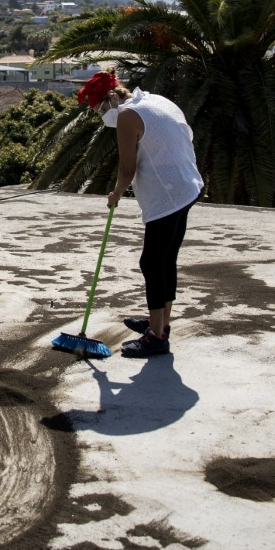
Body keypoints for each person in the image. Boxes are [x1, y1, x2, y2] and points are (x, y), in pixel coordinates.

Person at [76, 71, 204, 358]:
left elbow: (127, 169)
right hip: (187, 186)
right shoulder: (154, 100)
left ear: (111, 97)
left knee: (151, 262)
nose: (101, 116)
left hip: (168, 195)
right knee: (165, 258)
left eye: (99, 109)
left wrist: (116, 193)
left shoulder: (127, 116)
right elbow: (186, 134)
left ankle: (156, 337)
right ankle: (161, 322)